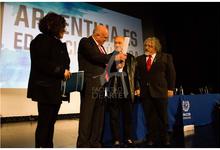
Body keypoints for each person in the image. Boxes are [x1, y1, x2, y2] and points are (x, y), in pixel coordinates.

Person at [77, 25, 127, 147]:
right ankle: (83, 143)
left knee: (99, 115)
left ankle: (95, 142)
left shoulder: (102, 48)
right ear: (97, 34)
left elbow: (105, 64)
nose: (106, 39)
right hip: (90, 83)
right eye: (104, 37)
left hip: (101, 83)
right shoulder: (86, 42)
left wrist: (116, 66)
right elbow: (96, 57)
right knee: (87, 115)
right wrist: (115, 56)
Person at [27, 12, 71, 148]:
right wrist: (61, 70)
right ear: (53, 26)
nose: (64, 30)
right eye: (62, 26)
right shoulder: (41, 40)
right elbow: (41, 62)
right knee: (45, 123)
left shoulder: (59, 44)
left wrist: (66, 70)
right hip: (45, 89)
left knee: (50, 123)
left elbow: (65, 62)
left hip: (56, 89)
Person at [135, 37, 176, 146]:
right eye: (145, 45)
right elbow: (135, 76)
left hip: (161, 91)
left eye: (150, 46)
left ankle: (165, 138)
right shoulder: (139, 59)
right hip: (145, 93)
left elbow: (171, 74)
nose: (146, 48)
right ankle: (151, 138)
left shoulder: (166, 57)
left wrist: (171, 89)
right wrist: (137, 88)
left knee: (163, 117)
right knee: (150, 117)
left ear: (156, 47)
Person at [107, 36, 136, 147]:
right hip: (114, 90)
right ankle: (116, 139)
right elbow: (106, 74)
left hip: (127, 91)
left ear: (124, 44)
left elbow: (135, 75)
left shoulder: (132, 58)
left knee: (128, 116)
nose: (117, 44)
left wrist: (137, 87)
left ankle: (128, 138)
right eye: (115, 42)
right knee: (114, 117)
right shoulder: (109, 57)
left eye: (120, 42)